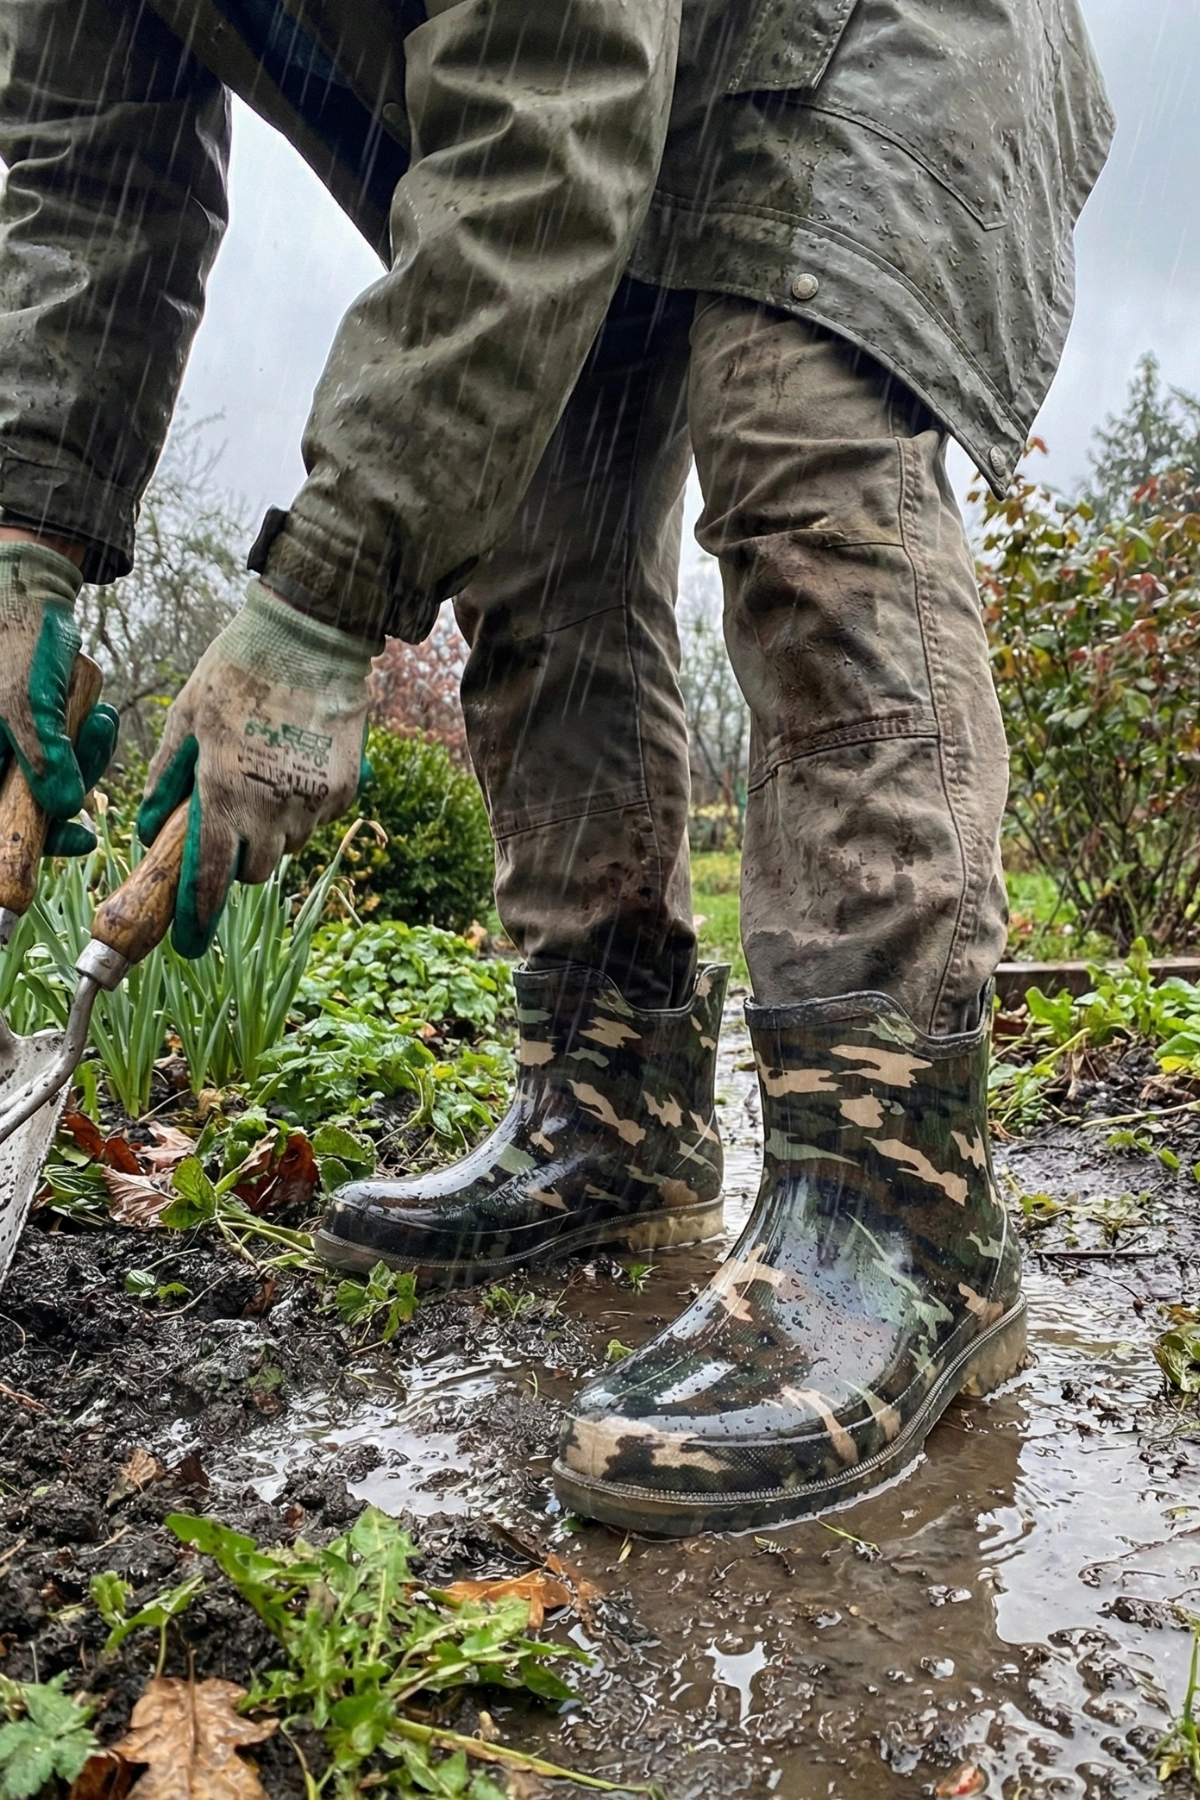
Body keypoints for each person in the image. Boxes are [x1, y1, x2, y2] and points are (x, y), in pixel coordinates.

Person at [0, 0, 1112, 1534]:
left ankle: (896, 1203)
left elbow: (556, 89)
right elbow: (83, 174)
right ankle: (613, 1113)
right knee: (537, 535)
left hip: (848, 34)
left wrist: (322, 600)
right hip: (579, 113)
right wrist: (26, 538)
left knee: (801, 440)